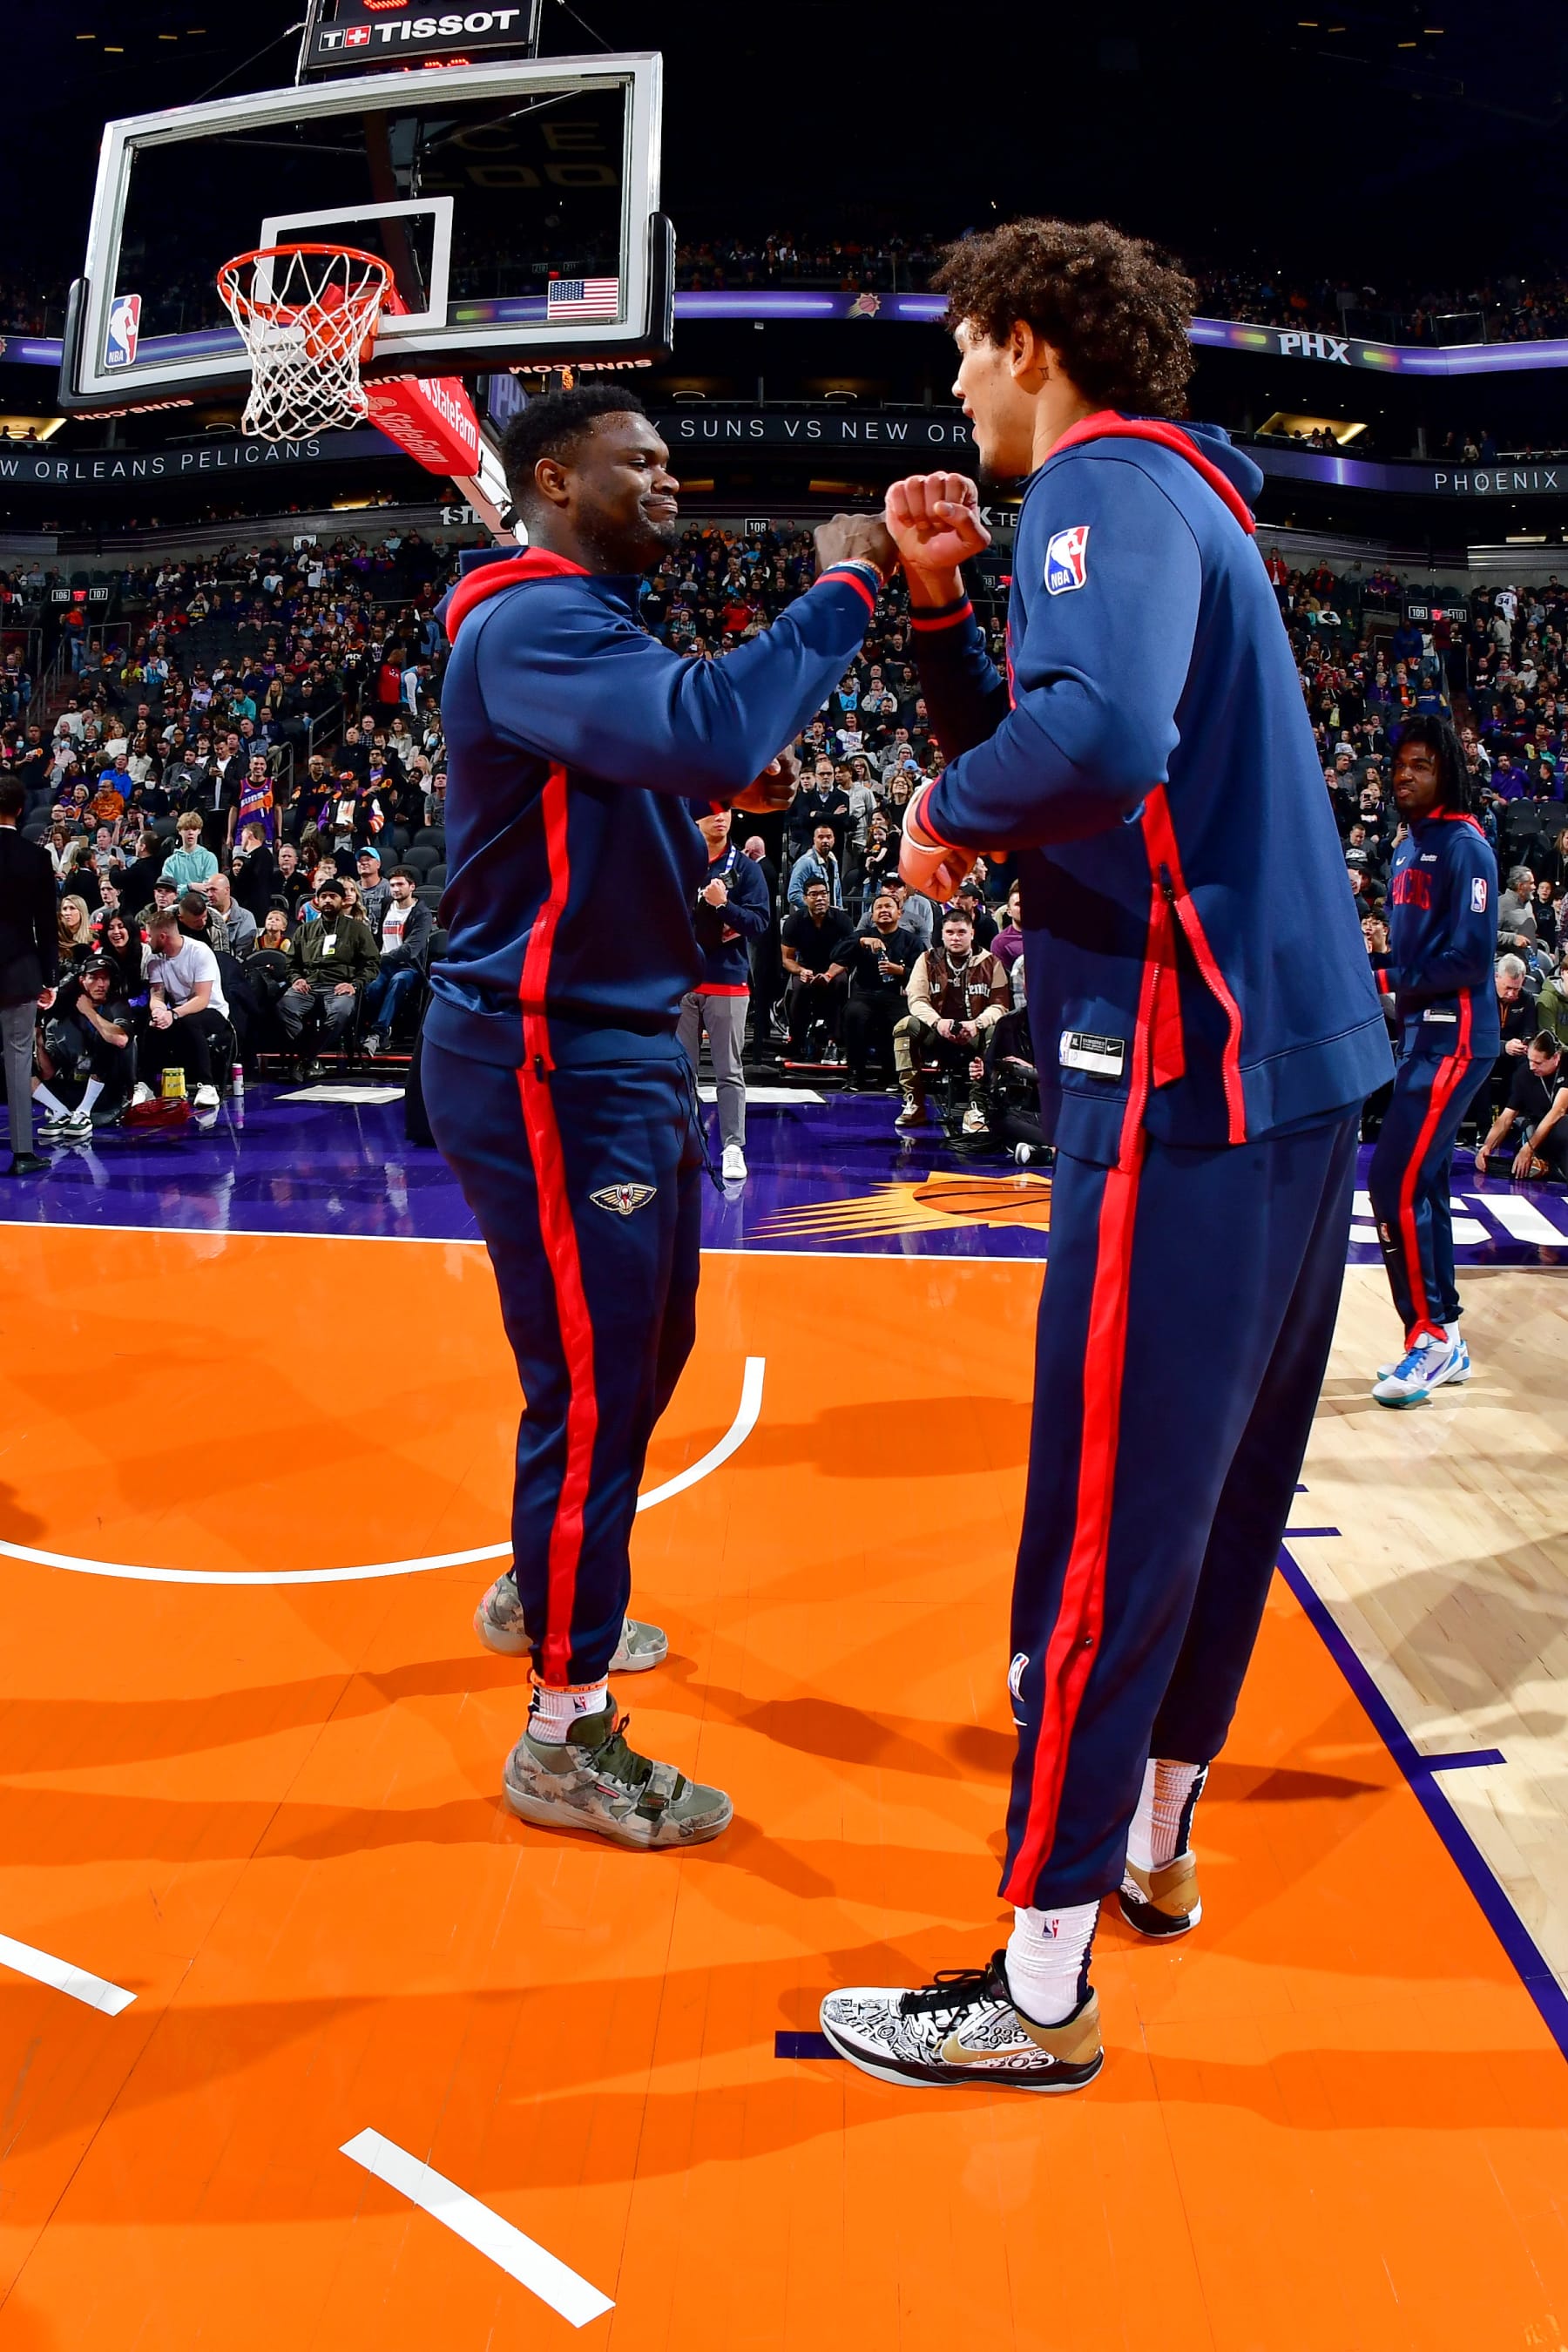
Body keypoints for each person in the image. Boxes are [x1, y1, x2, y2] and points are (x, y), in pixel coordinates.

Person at [817, 217, 1389, 2094]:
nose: (956, 388)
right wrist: (929, 616)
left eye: (965, 353)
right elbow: (1080, 766)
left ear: (1034, 341)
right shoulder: (1181, 506)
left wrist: (932, 811)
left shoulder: (1101, 490)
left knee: (1107, 1528)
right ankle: (1152, 1838)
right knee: (1221, 1507)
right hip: (1293, 1073)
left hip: (1179, 1073)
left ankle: (1038, 1988)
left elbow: (1097, 741)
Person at [421, 386, 890, 1849]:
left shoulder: (579, 621)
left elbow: (679, 761)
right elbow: (709, 722)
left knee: (640, 1348)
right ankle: (562, 1735)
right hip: (553, 1058)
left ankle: (541, 1581)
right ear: (554, 479)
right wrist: (846, 585)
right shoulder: (533, 619)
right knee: (595, 1369)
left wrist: (711, 781)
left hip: (613, 1051)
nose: (674, 479)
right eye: (644, 461)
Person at [1366, 717, 1499, 1406]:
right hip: (1421, 1035)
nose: (1404, 775)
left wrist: (1383, 981)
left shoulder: (1466, 846)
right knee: (1427, 1186)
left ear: (1445, 770)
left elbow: (1470, 959)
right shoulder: (1403, 848)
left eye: (1420, 765)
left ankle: (1431, 1337)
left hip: (1457, 1035)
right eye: (1399, 764)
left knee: (1392, 1184)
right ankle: (1445, 1333)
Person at [678, 801, 772, 1181]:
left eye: (726, 810)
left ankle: (733, 1146)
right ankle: (684, 1142)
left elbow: (761, 922)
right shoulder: (678, 859)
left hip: (728, 981)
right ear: (695, 818)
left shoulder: (746, 868)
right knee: (680, 1070)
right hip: (682, 980)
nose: (721, 817)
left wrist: (725, 907)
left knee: (728, 1070)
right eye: (712, 811)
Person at [894, 907, 1011, 1132]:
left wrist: (976, 1024)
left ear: (972, 933)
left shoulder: (991, 962)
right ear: (942, 934)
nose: (955, 937)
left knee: (997, 1029)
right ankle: (914, 1103)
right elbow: (917, 1000)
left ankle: (977, 1106)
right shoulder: (927, 959)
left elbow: (1000, 1005)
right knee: (905, 1025)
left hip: (974, 1033)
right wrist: (938, 1022)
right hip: (936, 1032)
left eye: (961, 932)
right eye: (950, 932)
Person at [0, 774, 57, 1175]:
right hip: (20, 971)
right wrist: (50, 977)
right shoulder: (36, 857)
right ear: (21, 811)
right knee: (19, 1060)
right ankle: (22, 1153)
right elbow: (47, 925)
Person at [277, 875, 379, 1077]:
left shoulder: (358, 929)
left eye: (332, 896)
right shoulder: (305, 930)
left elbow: (372, 963)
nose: (327, 900)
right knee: (284, 1006)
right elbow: (291, 963)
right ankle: (311, 1059)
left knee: (341, 1011)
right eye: (323, 896)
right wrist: (297, 978)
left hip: (340, 985)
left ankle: (305, 1059)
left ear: (342, 900)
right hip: (309, 984)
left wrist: (355, 985)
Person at [140, 905, 228, 1110]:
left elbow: (202, 999)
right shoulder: (154, 957)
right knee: (152, 1025)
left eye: (150, 936)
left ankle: (207, 1086)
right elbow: (157, 994)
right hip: (177, 1011)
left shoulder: (199, 952)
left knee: (189, 1023)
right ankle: (146, 1085)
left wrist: (173, 1014)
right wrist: (159, 1012)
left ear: (162, 937)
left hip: (212, 1011)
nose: (147, 940)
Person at [841, 889, 922, 1091]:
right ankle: (855, 1074)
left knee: (901, 1020)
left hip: (897, 993)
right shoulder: (862, 936)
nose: (884, 910)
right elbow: (836, 954)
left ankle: (892, 1075)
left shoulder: (912, 941)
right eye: (879, 907)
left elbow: (923, 975)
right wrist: (860, 942)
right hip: (865, 992)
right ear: (872, 915)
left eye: (889, 907)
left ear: (899, 913)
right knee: (853, 1013)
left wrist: (900, 970)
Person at [1475, 1031, 1568, 1180]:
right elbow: (1507, 1116)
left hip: (1561, 1129)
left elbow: (1559, 1110)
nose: (1532, 1067)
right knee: (1524, 1146)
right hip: (1537, 1130)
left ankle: (1548, 1168)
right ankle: (1545, 1166)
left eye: (1538, 1063)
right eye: (1530, 1060)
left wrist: (1529, 1148)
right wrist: (1487, 1146)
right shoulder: (1524, 1073)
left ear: (1555, 1058)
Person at [361, 867, 434, 1057]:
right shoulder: (387, 904)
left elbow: (410, 951)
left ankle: (379, 1033)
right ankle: (384, 1030)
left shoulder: (422, 914)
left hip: (409, 967)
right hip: (383, 965)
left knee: (398, 981)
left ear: (412, 887)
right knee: (372, 987)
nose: (395, 889)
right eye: (392, 885)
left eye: (400, 884)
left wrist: (381, 957)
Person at [780, 876, 855, 1057]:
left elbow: (847, 957)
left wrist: (829, 974)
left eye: (823, 894)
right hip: (805, 967)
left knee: (839, 985)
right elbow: (787, 959)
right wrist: (801, 971)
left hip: (835, 967)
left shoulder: (842, 920)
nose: (820, 898)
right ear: (805, 899)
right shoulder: (794, 921)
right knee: (799, 989)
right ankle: (796, 1040)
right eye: (814, 894)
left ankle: (833, 1042)